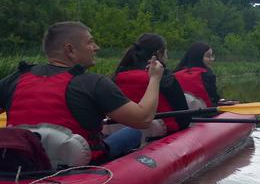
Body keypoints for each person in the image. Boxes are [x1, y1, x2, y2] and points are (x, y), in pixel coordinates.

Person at [0, 21, 164, 165]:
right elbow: (143, 119)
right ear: (70, 49)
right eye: (90, 42)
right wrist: (155, 78)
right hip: (83, 165)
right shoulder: (94, 83)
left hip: (20, 161)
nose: (96, 48)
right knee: (133, 133)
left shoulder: (14, 79)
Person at [113, 33, 190, 136]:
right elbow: (185, 118)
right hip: (161, 133)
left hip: (120, 131)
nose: (167, 57)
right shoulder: (165, 77)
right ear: (158, 53)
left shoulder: (117, 76)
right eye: (166, 53)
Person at [175, 41, 224, 108]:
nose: (212, 59)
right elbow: (214, 99)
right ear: (198, 57)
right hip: (205, 114)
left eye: (212, 56)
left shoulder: (175, 74)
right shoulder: (207, 75)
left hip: (181, 115)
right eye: (208, 56)